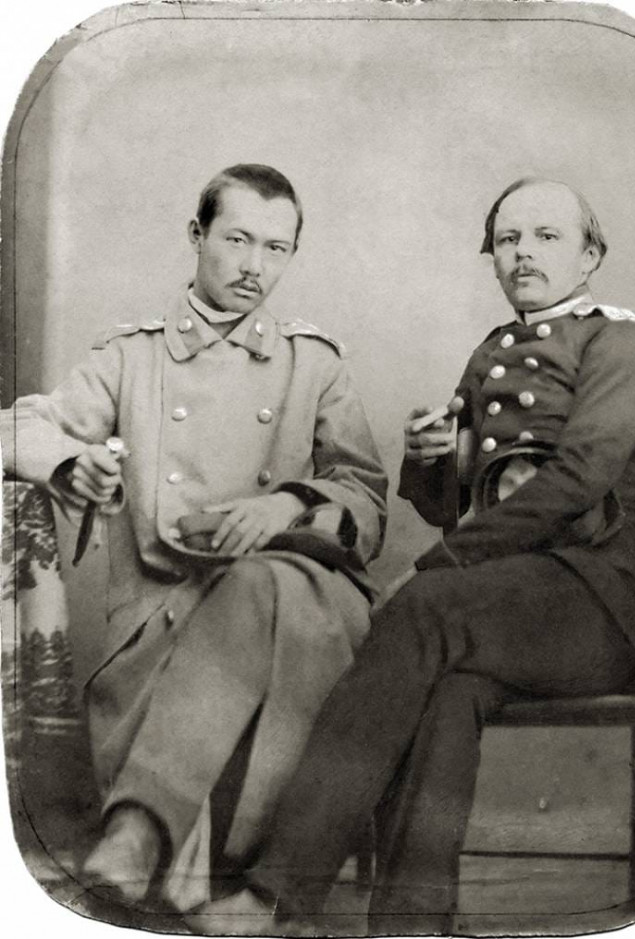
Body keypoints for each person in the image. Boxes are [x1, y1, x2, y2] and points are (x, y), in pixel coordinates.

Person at [182, 177, 635, 936]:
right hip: (501, 607)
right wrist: (429, 456)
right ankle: (413, 918)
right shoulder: (493, 352)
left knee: (422, 609)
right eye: (508, 239)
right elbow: (443, 504)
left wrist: (440, 567)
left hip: (597, 606)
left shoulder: (623, 344)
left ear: (590, 256)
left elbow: (578, 479)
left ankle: (277, 893)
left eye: (547, 237)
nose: (523, 253)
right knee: (449, 689)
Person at [0, 164, 387, 912]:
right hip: (164, 617)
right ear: (197, 235)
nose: (253, 266)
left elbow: (366, 498)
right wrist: (73, 461)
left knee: (264, 576)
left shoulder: (314, 363)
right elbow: (16, 427)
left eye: (276, 248)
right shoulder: (131, 357)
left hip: (305, 609)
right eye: (237, 240)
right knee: (249, 586)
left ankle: (138, 830)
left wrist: (288, 505)